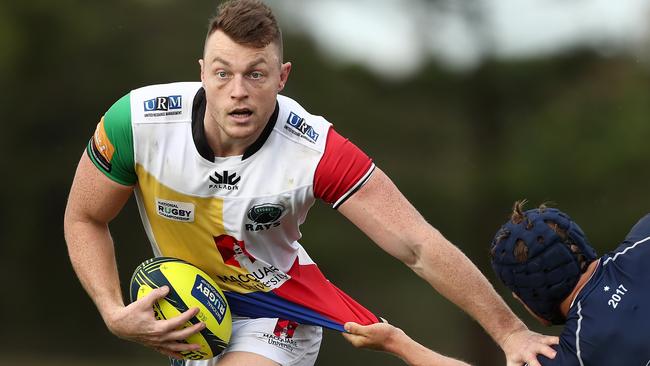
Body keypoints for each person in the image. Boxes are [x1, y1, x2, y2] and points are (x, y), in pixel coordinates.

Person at [63, 1, 557, 365]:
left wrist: (510, 333)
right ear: (201, 73)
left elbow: (417, 244)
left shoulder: (315, 150)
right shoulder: (137, 122)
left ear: (282, 76)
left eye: (256, 74)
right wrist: (111, 310)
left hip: (279, 311)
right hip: (193, 313)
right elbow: (85, 216)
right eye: (222, 73)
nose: (238, 92)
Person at [345, 201, 650, 365]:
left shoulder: (568, 356)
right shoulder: (644, 239)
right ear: (580, 243)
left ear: (528, 302)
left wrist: (396, 342)